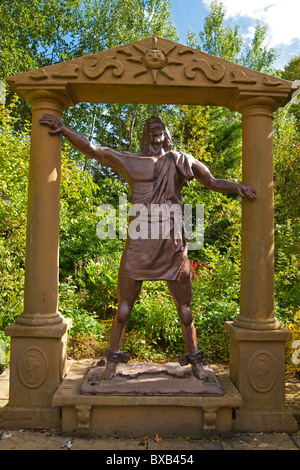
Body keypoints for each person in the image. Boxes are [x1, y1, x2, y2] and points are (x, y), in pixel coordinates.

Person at [39, 114, 256, 381]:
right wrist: (65, 129)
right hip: (140, 239)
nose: (155, 131)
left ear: (167, 134)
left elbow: (212, 182)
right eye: (150, 128)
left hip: (171, 240)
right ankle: (111, 364)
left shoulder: (181, 160)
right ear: (145, 135)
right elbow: (93, 150)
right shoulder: (130, 160)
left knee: (185, 310)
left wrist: (238, 187)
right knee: (123, 308)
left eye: (160, 128)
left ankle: (196, 363)